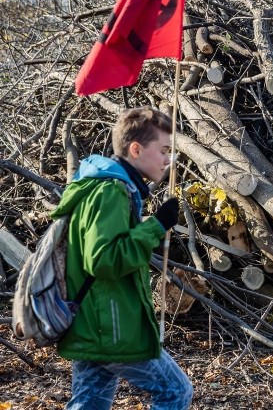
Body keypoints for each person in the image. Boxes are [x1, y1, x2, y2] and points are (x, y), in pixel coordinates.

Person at [55, 106, 193, 410]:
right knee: (176, 391)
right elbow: (103, 259)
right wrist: (155, 227)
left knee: (89, 403)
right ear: (135, 148)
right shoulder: (111, 191)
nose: (169, 158)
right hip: (113, 328)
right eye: (164, 150)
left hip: (94, 323)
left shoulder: (101, 184)